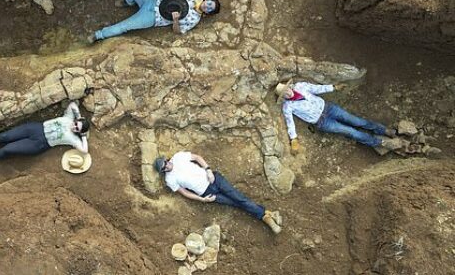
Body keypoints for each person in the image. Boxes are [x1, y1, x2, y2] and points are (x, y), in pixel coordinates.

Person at [154, 152, 283, 234]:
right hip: (206, 193)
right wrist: (202, 200)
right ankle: (268, 213)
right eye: (163, 168)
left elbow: (197, 157)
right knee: (235, 203)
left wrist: (208, 170)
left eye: (165, 163)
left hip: (214, 179)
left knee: (239, 198)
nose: (166, 166)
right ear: (163, 171)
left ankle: (265, 217)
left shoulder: (178, 157)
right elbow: (184, 193)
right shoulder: (169, 179)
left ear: (166, 159)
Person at [275, 81, 400, 153]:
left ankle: (383, 130)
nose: (287, 93)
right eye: (284, 94)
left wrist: (333, 87)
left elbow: (316, 88)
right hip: (322, 122)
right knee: (351, 132)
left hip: (329, 108)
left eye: (286, 89)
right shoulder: (288, 106)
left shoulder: (300, 86)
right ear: (283, 97)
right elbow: (289, 122)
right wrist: (294, 139)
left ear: (289, 86)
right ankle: (380, 142)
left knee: (357, 121)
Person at [89, 0, 221, 43]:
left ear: (208, 14)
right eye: (209, 4)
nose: (207, 6)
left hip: (153, 17)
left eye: (210, 9)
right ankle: (128, 3)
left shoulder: (194, 19)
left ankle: (99, 35)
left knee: (124, 26)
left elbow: (178, 31)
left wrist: (175, 20)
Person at [0, 101, 90, 167]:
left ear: (78, 132)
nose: (74, 127)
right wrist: (79, 117)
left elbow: (84, 150)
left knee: (9, 149)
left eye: (77, 129)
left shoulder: (73, 139)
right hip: (36, 128)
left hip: (40, 144)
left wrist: (83, 136)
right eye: (76, 124)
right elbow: (73, 105)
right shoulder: (69, 117)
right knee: (6, 136)